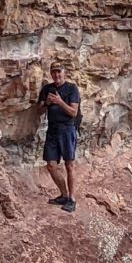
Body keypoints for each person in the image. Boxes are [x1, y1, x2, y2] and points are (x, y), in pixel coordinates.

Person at [37, 61, 81, 212]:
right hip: (52, 130)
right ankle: (64, 194)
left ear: (64, 72)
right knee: (51, 165)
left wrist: (60, 102)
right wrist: (46, 104)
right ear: (51, 73)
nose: (56, 75)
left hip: (67, 130)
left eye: (59, 71)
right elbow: (39, 111)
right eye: (54, 72)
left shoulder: (71, 88)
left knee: (69, 165)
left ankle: (72, 199)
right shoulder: (47, 89)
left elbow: (73, 112)